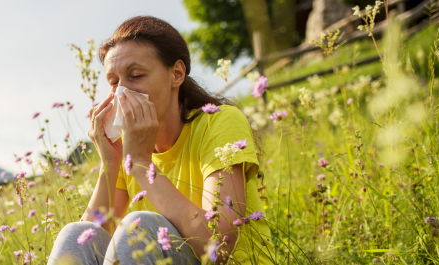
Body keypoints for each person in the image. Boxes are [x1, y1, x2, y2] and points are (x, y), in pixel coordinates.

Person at [48, 16, 273, 265]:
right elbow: (88, 244)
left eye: (135, 75)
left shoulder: (219, 122)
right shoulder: (127, 145)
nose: (122, 92)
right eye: (114, 82)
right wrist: (110, 166)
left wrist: (142, 164)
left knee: (140, 227)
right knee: (75, 235)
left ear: (176, 74)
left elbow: (217, 246)